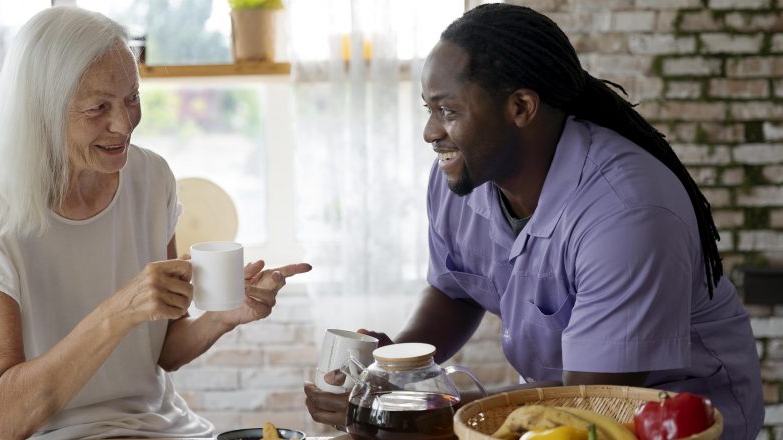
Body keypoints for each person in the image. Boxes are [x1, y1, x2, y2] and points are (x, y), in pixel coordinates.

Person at [304, 4, 763, 439]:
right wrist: (389, 373)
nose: (430, 132)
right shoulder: (462, 176)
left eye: (448, 111)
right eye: (429, 110)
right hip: (556, 415)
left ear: (521, 107)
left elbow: (589, 399)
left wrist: (411, 407)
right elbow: (455, 290)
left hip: (675, 420)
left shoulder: (627, 213)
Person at [0, 6, 311, 440]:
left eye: (132, 98)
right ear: (41, 109)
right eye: (98, 107)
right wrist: (121, 310)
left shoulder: (151, 178)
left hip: (159, 428)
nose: (123, 124)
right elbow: (5, 418)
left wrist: (222, 317)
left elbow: (164, 352)